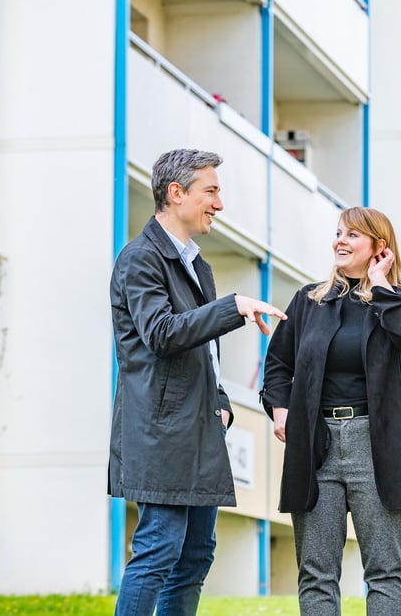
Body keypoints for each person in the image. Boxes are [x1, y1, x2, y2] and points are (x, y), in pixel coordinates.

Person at [109, 148, 287, 616]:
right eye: (211, 191)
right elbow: (162, 333)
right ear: (176, 193)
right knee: (158, 551)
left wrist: (222, 399)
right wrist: (233, 307)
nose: (219, 204)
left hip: (200, 426)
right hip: (161, 431)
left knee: (194, 557)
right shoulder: (140, 259)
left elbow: (199, 353)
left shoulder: (194, 264)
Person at [262, 207, 401, 616]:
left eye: (353, 235)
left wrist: (379, 284)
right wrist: (281, 410)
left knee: (385, 570)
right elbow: (279, 363)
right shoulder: (309, 300)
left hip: (378, 445)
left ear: (379, 248)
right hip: (316, 445)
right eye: (338, 233)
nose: (340, 241)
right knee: (316, 571)